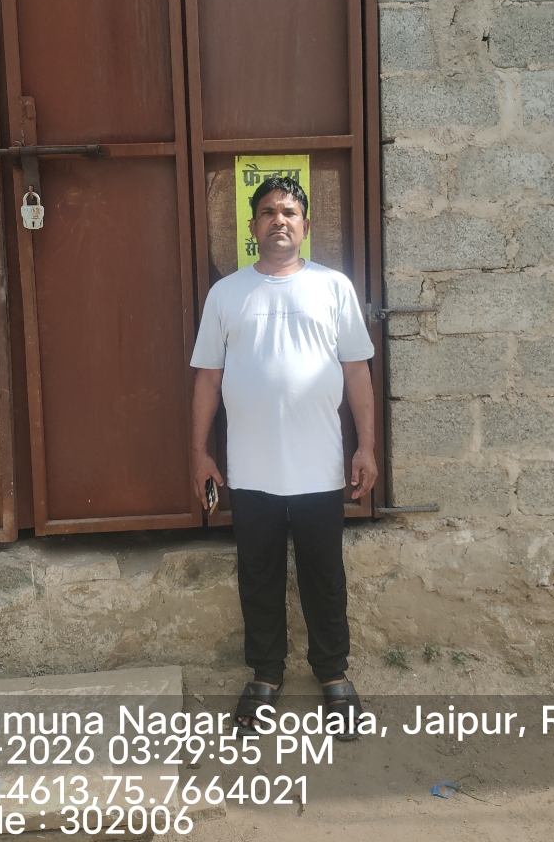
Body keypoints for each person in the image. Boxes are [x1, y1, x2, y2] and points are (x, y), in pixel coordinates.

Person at [189, 176, 377, 739]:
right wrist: (199, 453)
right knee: (259, 576)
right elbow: (208, 379)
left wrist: (366, 446)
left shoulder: (333, 287)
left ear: (305, 225)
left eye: (289, 212)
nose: (279, 220)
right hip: (251, 470)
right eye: (268, 212)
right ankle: (265, 676)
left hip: (319, 467)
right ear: (252, 227)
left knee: (325, 576)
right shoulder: (227, 294)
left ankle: (334, 675)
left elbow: (357, 373)